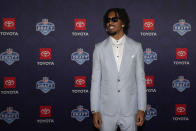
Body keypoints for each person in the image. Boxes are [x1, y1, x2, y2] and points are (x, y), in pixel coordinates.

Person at [90, 8, 147, 131]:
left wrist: (141, 108)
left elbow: (140, 79)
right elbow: (95, 82)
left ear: (123, 23)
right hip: (106, 111)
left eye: (114, 19)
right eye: (107, 20)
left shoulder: (136, 47)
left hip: (130, 109)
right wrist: (95, 110)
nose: (110, 23)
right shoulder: (99, 48)